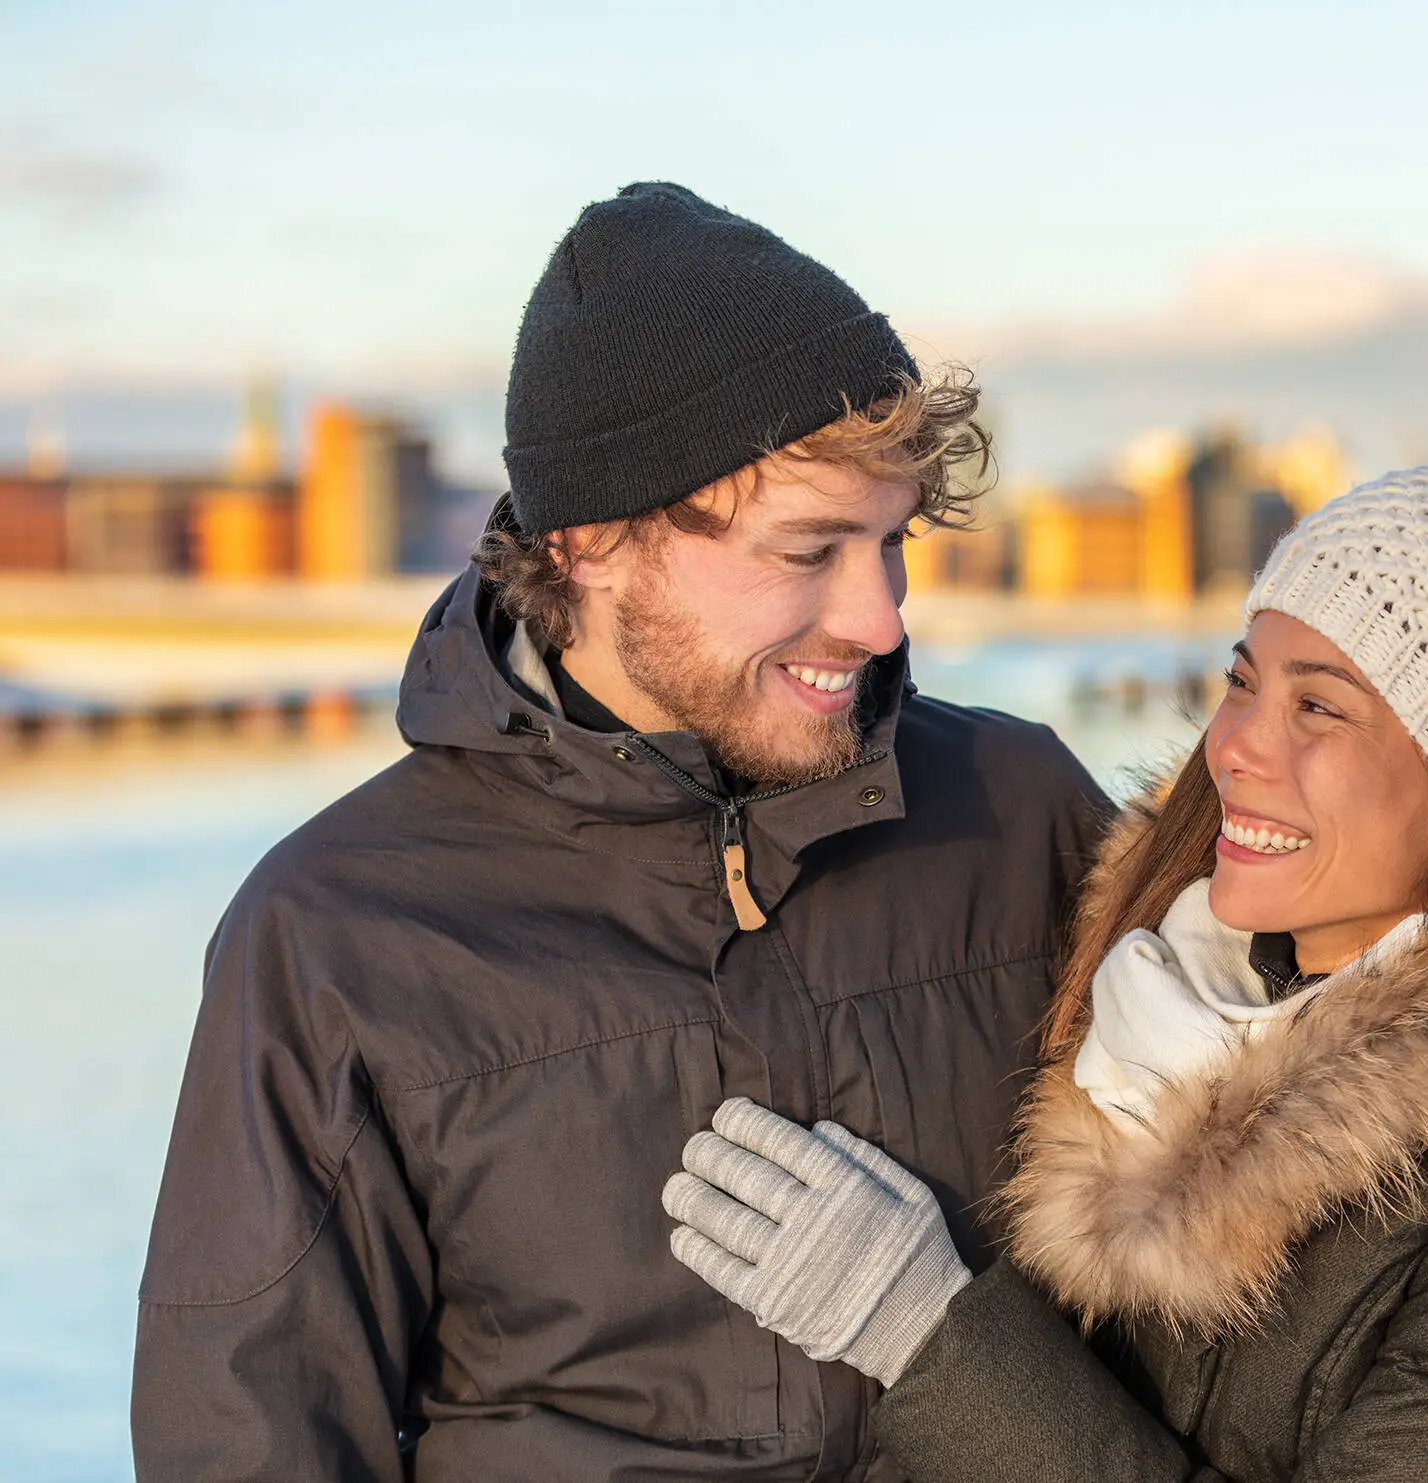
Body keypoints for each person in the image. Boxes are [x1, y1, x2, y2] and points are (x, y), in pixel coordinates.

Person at [130, 182, 1112, 1480]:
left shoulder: (1018, 808)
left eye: (890, 543)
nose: (879, 619)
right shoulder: (334, 936)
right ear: (591, 541)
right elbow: (252, 1440)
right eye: (807, 550)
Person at [663, 438, 1428, 1481]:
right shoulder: (1144, 996)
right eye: (1243, 682)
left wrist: (927, 1339)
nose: (1235, 746)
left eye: (1319, 708)